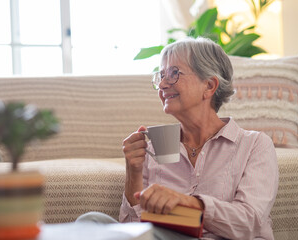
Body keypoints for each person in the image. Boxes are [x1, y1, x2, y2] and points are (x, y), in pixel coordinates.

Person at [78, 37, 279, 240]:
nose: (163, 85)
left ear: (209, 86)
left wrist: (189, 203)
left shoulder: (254, 145)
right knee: (91, 222)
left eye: (174, 74)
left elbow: (249, 223)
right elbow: (132, 231)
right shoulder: (154, 148)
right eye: (161, 75)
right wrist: (134, 172)